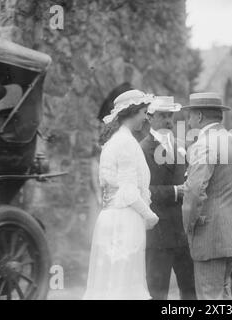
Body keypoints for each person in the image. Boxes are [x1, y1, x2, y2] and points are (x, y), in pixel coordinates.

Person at [182, 92, 232, 300]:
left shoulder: (203, 144)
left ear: (198, 116)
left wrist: (190, 226)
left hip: (210, 235)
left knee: (210, 296)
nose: (188, 121)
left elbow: (194, 190)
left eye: (189, 115)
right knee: (224, 293)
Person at [83, 90, 159, 300]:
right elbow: (128, 191)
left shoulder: (113, 142)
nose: (146, 117)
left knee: (109, 284)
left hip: (110, 217)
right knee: (123, 287)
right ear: (132, 112)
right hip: (124, 221)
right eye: (144, 112)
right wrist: (150, 215)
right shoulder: (126, 142)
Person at [141, 96, 196, 300]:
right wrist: (175, 191)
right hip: (158, 234)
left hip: (183, 232)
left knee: (190, 290)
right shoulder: (143, 149)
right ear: (150, 118)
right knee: (158, 291)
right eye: (162, 115)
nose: (168, 120)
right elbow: (143, 190)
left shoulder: (181, 146)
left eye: (170, 115)